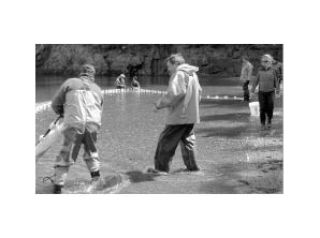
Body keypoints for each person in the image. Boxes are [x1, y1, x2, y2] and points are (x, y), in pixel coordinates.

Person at [50, 64, 104, 194]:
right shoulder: (98, 89)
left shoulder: (70, 83)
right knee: (91, 151)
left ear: (81, 73)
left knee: (66, 152)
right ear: (93, 76)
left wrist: (62, 111)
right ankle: (96, 179)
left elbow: (55, 104)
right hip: (92, 125)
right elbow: (99, 108)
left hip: (73, 124)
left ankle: (58, 187)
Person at [150, 53, 202, 173]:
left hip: (179, 117)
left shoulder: (179, 74)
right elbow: (199, 92)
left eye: (169, 66)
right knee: (188, 141)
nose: (168, 69)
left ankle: (160, 170)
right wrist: (192, 109)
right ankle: (193, 169)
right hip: (191, 116)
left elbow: (174, 94)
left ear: (176, 64)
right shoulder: (193, 74)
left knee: (165, 141)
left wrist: (158, 104)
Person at [251, 54, 280, 130]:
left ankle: (269, 120)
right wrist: (252, 91)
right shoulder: (259, 71)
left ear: (270, 62)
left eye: (266, 61)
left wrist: (277, 91)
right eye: (263, 61)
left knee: (270, 107)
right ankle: (262, 123)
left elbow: (276, 81)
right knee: (262, 108)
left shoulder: (274, 70)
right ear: (261, 62)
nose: (265, 63)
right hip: (262, 93)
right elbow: (255, 81)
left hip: (271, 92)